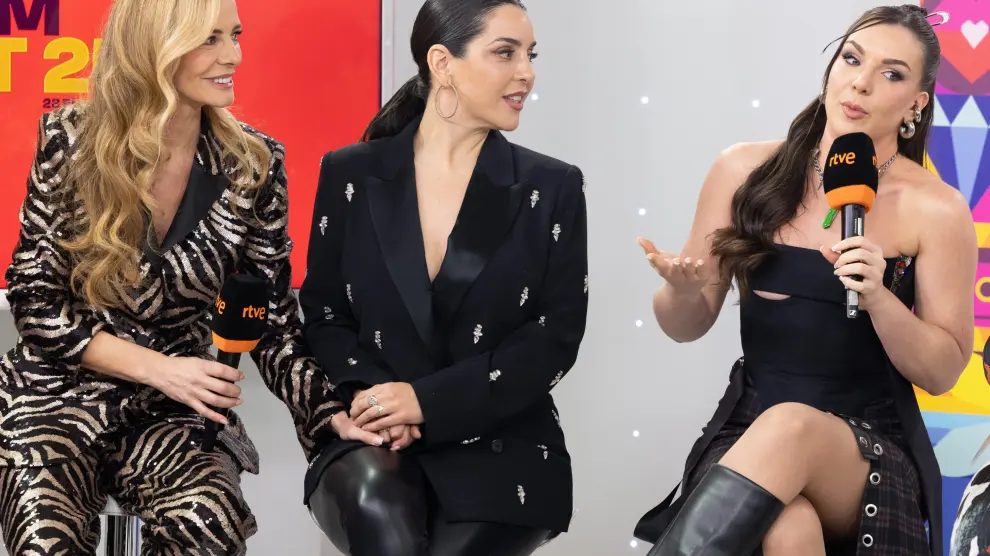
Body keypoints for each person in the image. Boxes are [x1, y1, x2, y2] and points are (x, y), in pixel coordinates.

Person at [0, 0, 339, 553]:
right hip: (55, 399)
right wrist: (161, 369)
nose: (233, 55)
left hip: (172, 416)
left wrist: (328, 413)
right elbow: (35, 301)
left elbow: (271, 322)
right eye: (209, 39)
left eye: (235, 35)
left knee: (210, 524)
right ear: (154, 48)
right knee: (45, 542)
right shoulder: (71, 141)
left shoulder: (254, 165)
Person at [633, 5, 973, 556]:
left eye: (891, 73)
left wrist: (880, 299)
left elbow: (943, 371)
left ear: (917, 102)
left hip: (867, 453)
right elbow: (684, 327)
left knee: (792, 425)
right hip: (748, 435)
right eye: (851, 59)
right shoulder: (742, 170)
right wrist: (682, 289)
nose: (860, 82)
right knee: (788, 527)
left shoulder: (936, 209)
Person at [297, 1, 588, 555]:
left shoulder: (551, 186)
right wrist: (381, 405)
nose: (526, 71)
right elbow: (326, 311)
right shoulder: (350, 171)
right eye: (505, 52)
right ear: (442, 62)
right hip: (372, 437)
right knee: (379, 512)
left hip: (503, 440)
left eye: (530, 55)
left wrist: (426, 402)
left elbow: (555, 337)